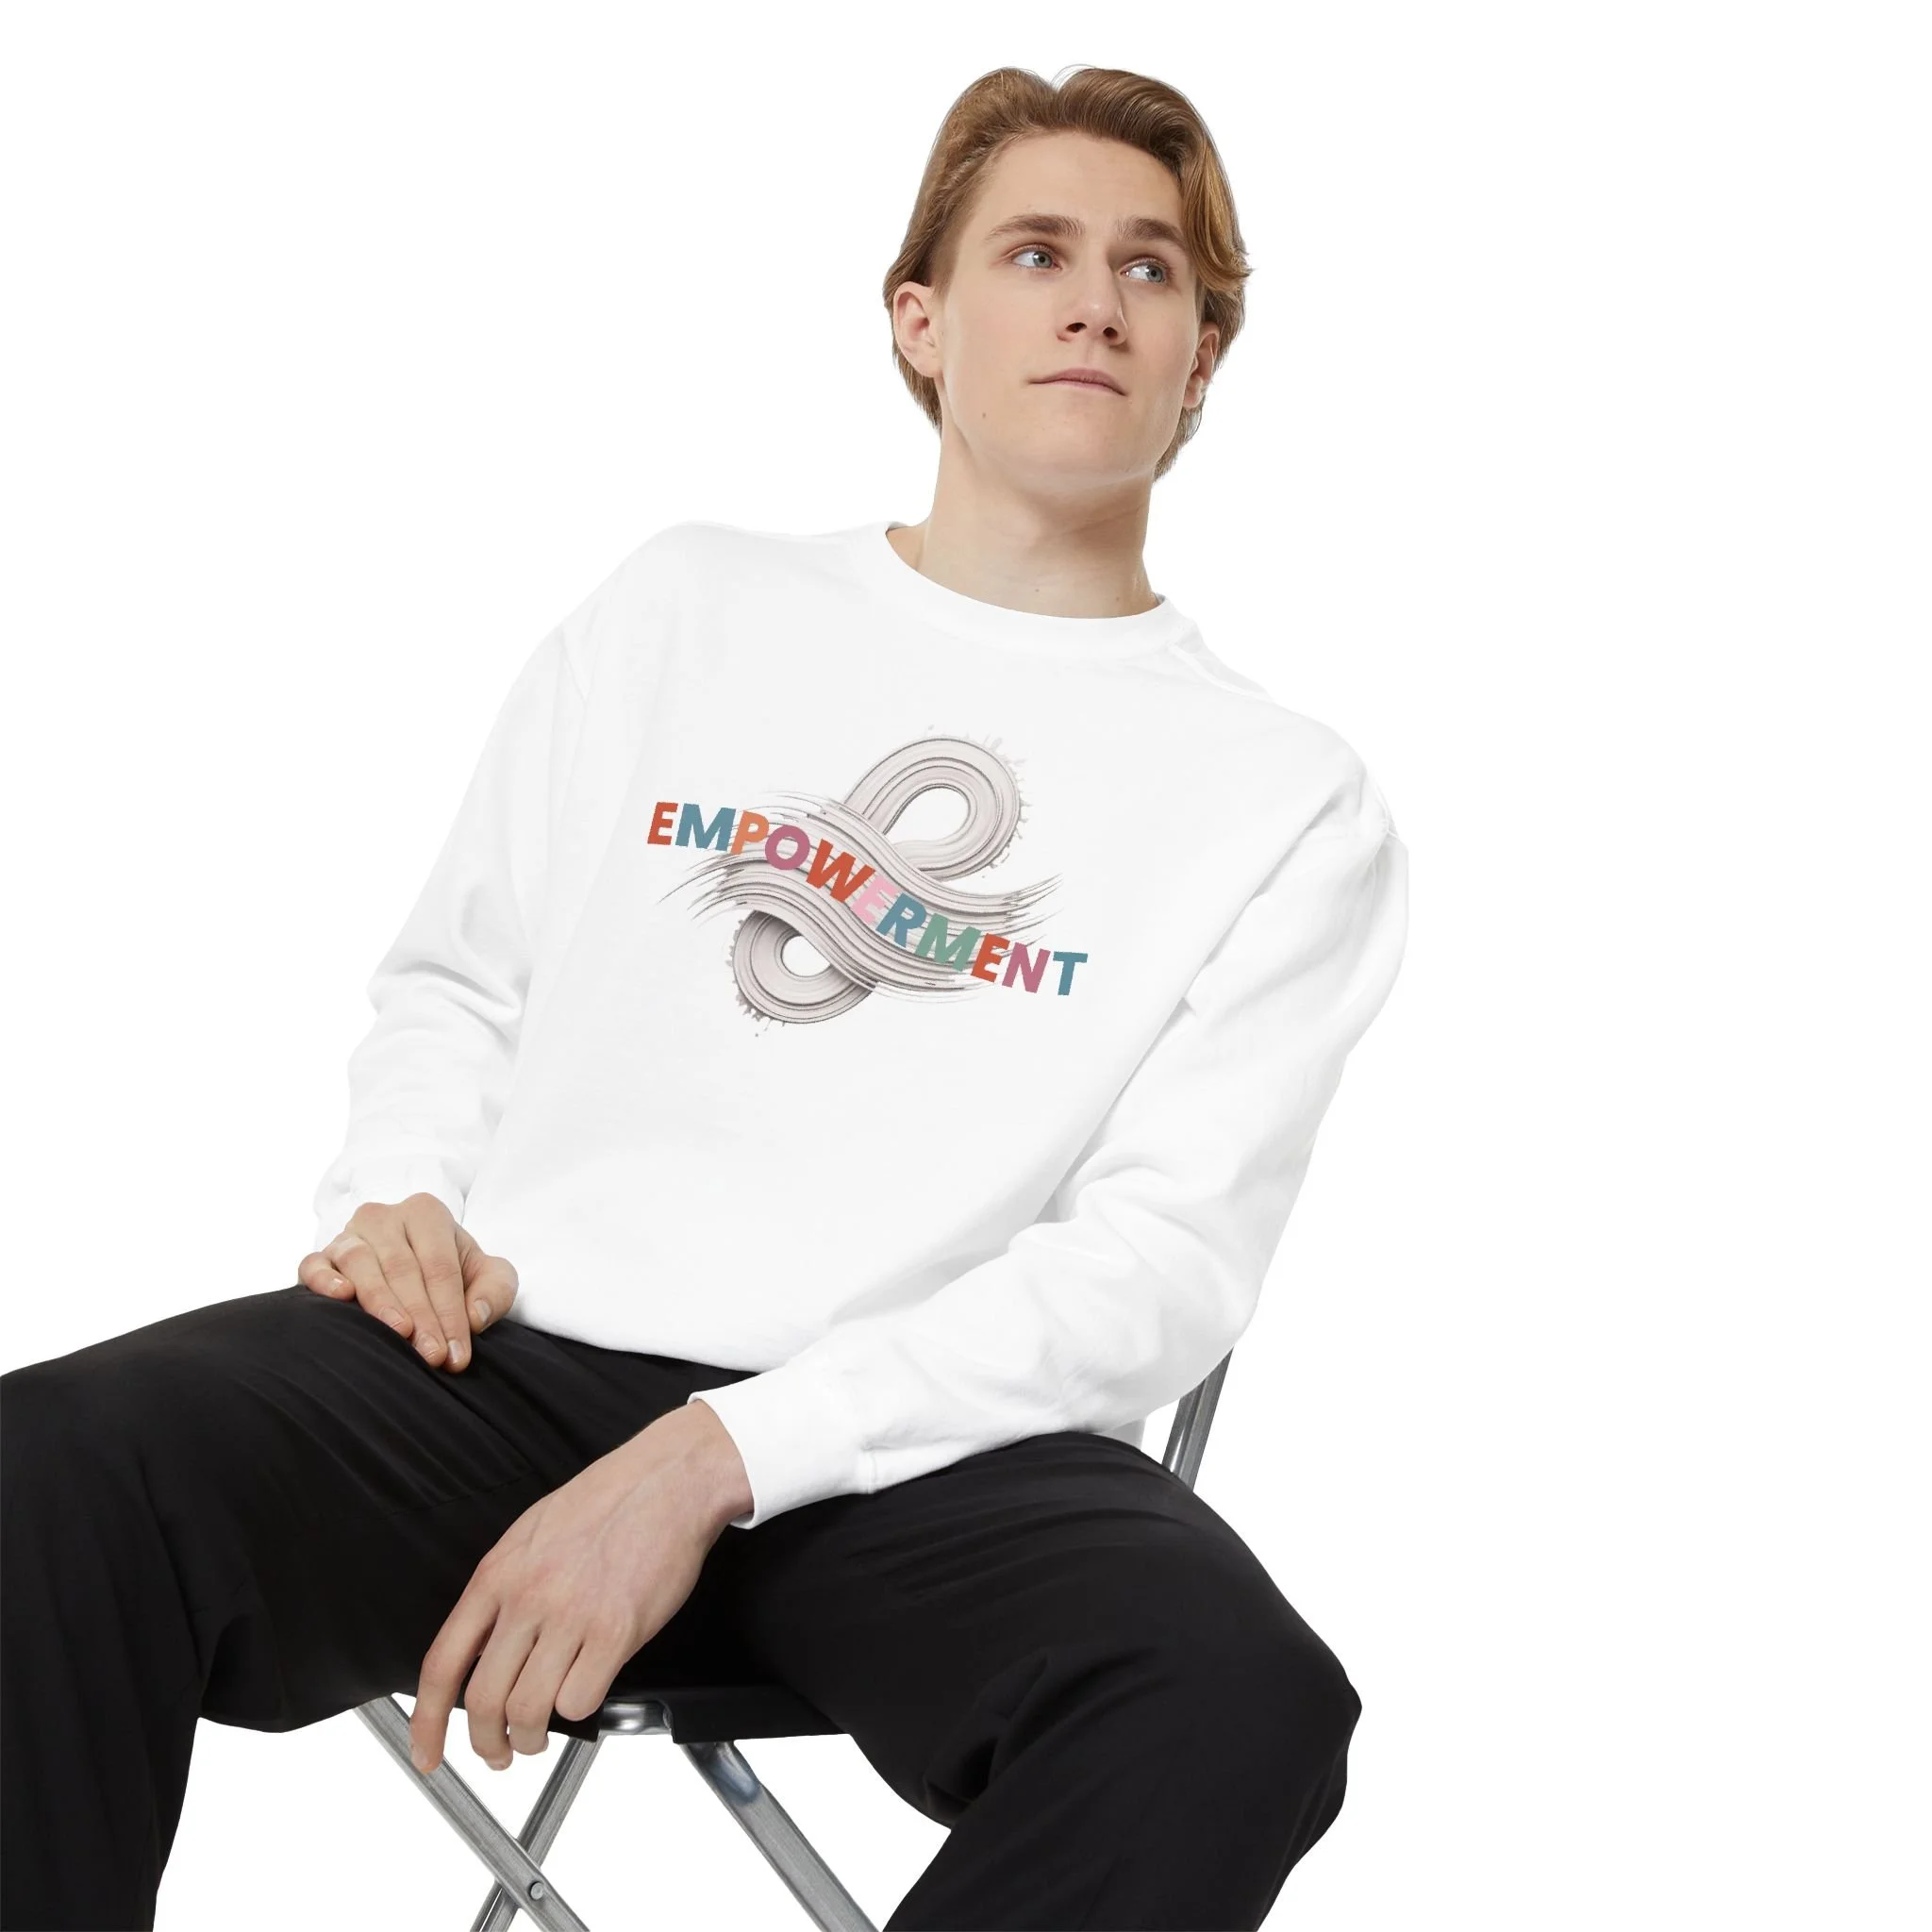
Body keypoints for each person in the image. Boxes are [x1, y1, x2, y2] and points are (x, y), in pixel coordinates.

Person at [1, 61, 1408, 1932]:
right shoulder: (687, 606)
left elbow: (1157, 1268)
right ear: (921, 319)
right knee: (46, 1477)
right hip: (504, 1375)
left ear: (1201, 357)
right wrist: (395, 1198)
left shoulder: (1282, 793)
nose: (1093, 302)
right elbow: (463, 978)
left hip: (925, 1454)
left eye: (1150, 270)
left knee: (1232, 1700)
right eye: (1036, 251)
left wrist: (725, 1455)